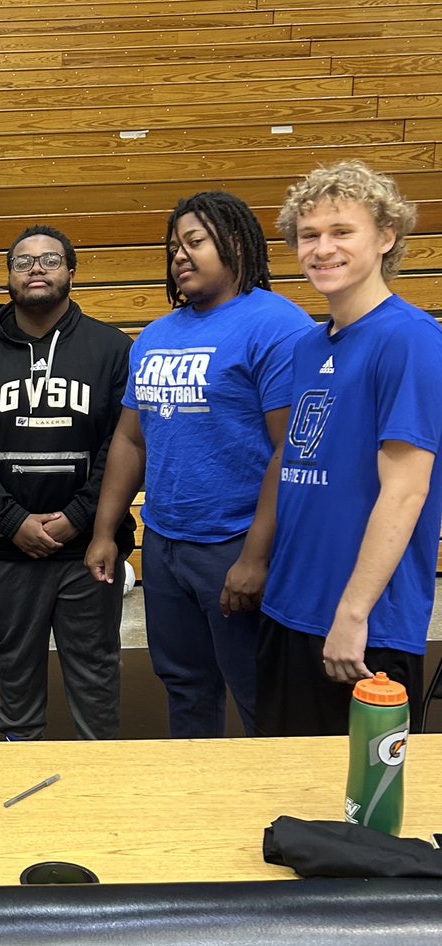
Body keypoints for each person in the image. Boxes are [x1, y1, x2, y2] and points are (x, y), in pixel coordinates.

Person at [86, 191, 313, 738]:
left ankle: (280, 811)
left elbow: (293, 450)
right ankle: (197, 805)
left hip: (237, 541)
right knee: (185, 687)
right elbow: (131, 440)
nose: (180, 256)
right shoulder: (158, 335)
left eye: (195, 242)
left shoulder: (278, 326)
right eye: (174, 247)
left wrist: (255, 558)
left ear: (235, 244)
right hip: (166, 543)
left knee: (261, 691)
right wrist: (104, 532)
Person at [259, 161, 442, 735]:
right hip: (291, 607)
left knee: (359, 812)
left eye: (342, 231)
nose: (322, 248)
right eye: (309, 235)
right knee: (280, 793)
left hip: (363, 627)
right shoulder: (309, 346)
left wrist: (352, 612)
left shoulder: (410, 340)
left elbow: (407, 491)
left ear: (386, 238)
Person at [0, 225, 135, 741]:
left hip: (89, 549)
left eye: (50, 260)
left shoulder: (113, 350)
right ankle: (21, 803)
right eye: (23, 262)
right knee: (16, 680)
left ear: (72, 271)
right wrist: (11, 520)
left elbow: (125, 445)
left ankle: (102, 796)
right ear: (8, 277)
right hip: (6, 551)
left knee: (96, 681)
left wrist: (79, 518)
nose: (37, 269)